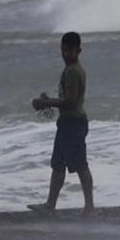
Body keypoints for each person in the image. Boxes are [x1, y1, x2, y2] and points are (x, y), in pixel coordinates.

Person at [30, 32, 94, 213]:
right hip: (77, 122)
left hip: (71, 124)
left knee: (59, 164)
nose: (67, 54)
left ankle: (50, 205)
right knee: (81, 165)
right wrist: (50, 99)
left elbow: (70, 101)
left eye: (71, 51)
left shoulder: (73, 71)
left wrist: (45, 103)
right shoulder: (75, 69)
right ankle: (89, 207)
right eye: (64, 50)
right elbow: (68, 99)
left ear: (79, 51)